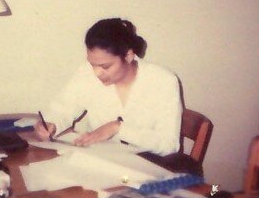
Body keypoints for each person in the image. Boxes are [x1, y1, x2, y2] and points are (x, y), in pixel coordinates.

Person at [34, 18, 182, 155]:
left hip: (148, 166)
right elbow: (63, 108)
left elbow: (169, 144)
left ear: (128, 55)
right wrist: (51, 124)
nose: (97, 73)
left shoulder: (163, 80)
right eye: (93, 65)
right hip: (102, 162)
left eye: (106, 66)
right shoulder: (86, 73)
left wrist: (118, 128)